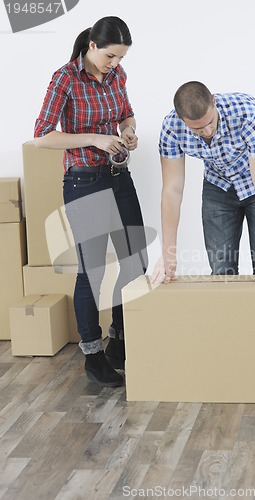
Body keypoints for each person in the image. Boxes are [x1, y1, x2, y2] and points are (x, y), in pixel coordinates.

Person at [34, 16, 148, 387]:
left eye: (120, 58)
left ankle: (119, 341)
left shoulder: (117, 75)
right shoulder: (66, 78)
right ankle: (93, 355)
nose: (115, 64)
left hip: (119, 177)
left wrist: (128, 131)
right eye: (110, 56)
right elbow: (42, 137)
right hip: (83, 181)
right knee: (93, 271)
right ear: (92, 46)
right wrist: (94, 140)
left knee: (135, 263)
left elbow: (126, 113)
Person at [151, 81, 255, 298]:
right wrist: (168, 253)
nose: (206, 131)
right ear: (181, 118)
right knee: (221, 272)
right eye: (197, 128)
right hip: (219, 184)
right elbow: (172, 191)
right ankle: (229, 332)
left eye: (210, 122)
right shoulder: (171, 128)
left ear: (213, 102)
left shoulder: (247, 115)